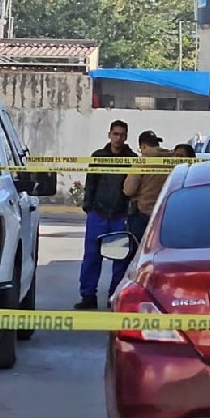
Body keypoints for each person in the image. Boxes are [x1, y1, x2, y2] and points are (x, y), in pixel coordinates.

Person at [77, 120, 137, 310]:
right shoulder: (99, 157)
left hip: (120, 215)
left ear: (126, 137)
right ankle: (88, 296)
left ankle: (114, 297)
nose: (118, 138)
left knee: (120, 258)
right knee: (92, 257)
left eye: (121, 134)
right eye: (115, 134)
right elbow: (91, 184)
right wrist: (89, 208)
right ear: (109, 135)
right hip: (99, 214)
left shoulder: (132, 159)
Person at [123, 130, 174, 243]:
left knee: (138, 251)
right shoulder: (172, 160)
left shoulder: (142, 162)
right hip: (167, 213)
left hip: (144, 214)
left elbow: (128, 190)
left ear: (143, 146)